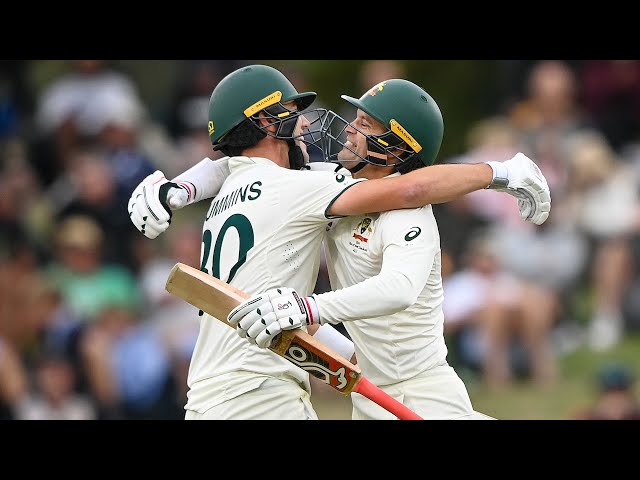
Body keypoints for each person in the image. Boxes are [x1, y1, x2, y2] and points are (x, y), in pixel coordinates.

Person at [127, 64, 551, 420]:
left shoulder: (286, 191)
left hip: (414, 389)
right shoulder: (305, 189)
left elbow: (406, 222)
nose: (325, 127)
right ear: (264, 122)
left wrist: (178, 189)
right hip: (278, 393)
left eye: (364, 125)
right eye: (295, 113)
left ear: (395, 146)